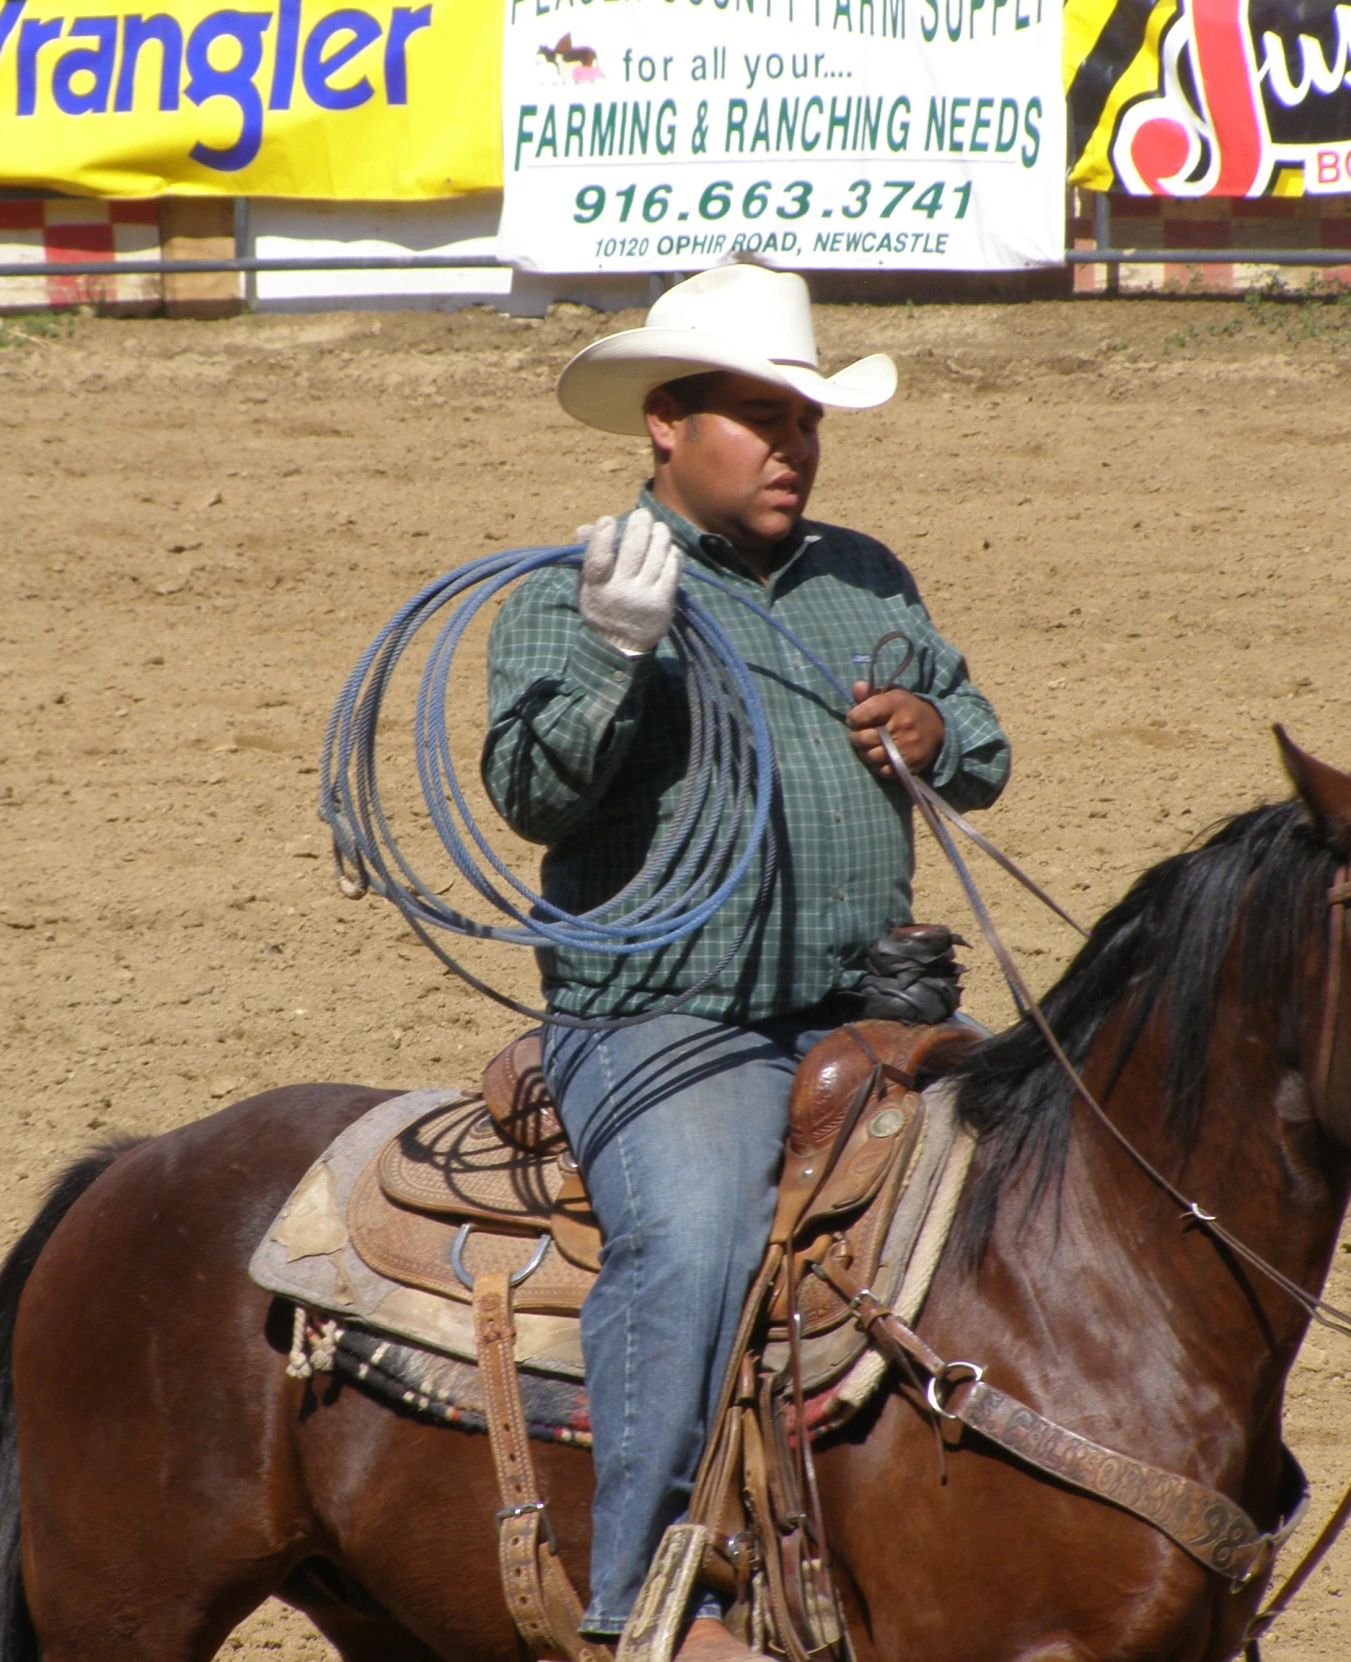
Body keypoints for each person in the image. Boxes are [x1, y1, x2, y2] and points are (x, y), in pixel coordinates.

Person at [481, 263, 1010, 1659]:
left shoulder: (865, 577)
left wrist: (936, 734)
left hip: (869, 1004)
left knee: (1046, 1192)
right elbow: (531, 794)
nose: (795, 447)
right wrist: (611, 660)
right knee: (701, 1237)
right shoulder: (569, 590)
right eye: (763, 419)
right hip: (667, 1021)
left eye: (808, 421)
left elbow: (985, 739)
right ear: (667, 421)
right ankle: (637, 1604)